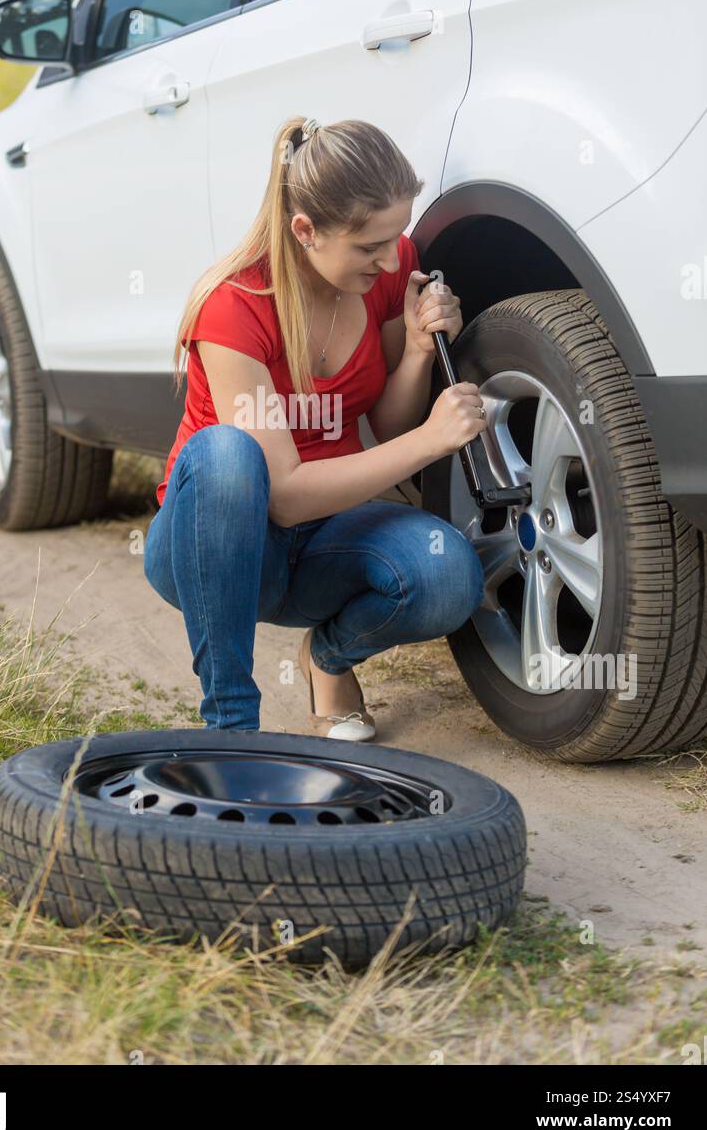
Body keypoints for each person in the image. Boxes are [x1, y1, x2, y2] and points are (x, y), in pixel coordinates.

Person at [144, 115, 487, 740]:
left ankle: (328, 658)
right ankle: (230, 726)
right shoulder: (233, 308)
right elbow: (286, 492)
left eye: (396, 238)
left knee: (447, 574)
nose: (390, 262)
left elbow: (386, 424)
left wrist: (413, 349)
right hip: (219, 544)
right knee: (226, 455)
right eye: (368, 247)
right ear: (305, 230)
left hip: (325, 541)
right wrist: (432, 439)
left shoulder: (387, 267)